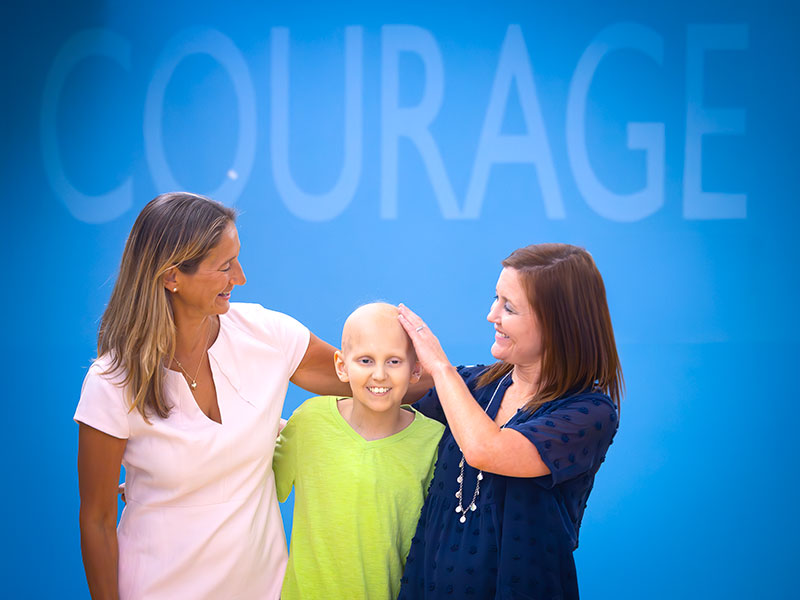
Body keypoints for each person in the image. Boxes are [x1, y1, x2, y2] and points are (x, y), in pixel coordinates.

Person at [74, 192, 351, 600]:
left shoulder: (268, 335)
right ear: (172, 277)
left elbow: (369, 380)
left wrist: (462, 382)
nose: (239, 277)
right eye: (224, 266)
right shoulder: (111, 382)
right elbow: (96, 520)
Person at [395, 243, 623, 600]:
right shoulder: (472, 385)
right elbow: (372, 390)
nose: (491, 315)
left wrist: (439, 367)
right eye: (496, 298)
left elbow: (486, 450)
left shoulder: (589, 413)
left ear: (557, 324)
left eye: (509, 307)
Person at [273, 303, 444, 600]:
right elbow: (256, 489)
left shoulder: (433, 441)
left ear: (415, 369)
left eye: (394, 361)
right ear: (341, 366)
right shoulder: (309, 422)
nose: (379, 374)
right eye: (365, 360)